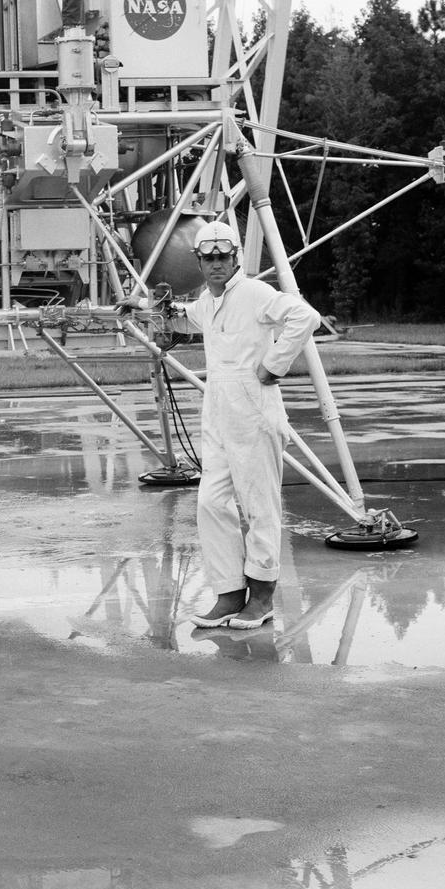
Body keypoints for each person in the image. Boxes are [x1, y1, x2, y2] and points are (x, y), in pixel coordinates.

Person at [123, 220, 320, 630]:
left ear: (235, 259)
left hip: (254, 409)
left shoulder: (254, 293)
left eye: (223, 257)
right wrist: (140, 304)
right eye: (208, 258)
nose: (216, 264)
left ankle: (261, 598)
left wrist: (273, 366)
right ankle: (229, 593)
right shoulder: (208, 302)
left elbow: (305, 316)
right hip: (218, 412)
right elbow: (182, 317)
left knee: (259, 505)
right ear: (199, 260)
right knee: (212, 502)